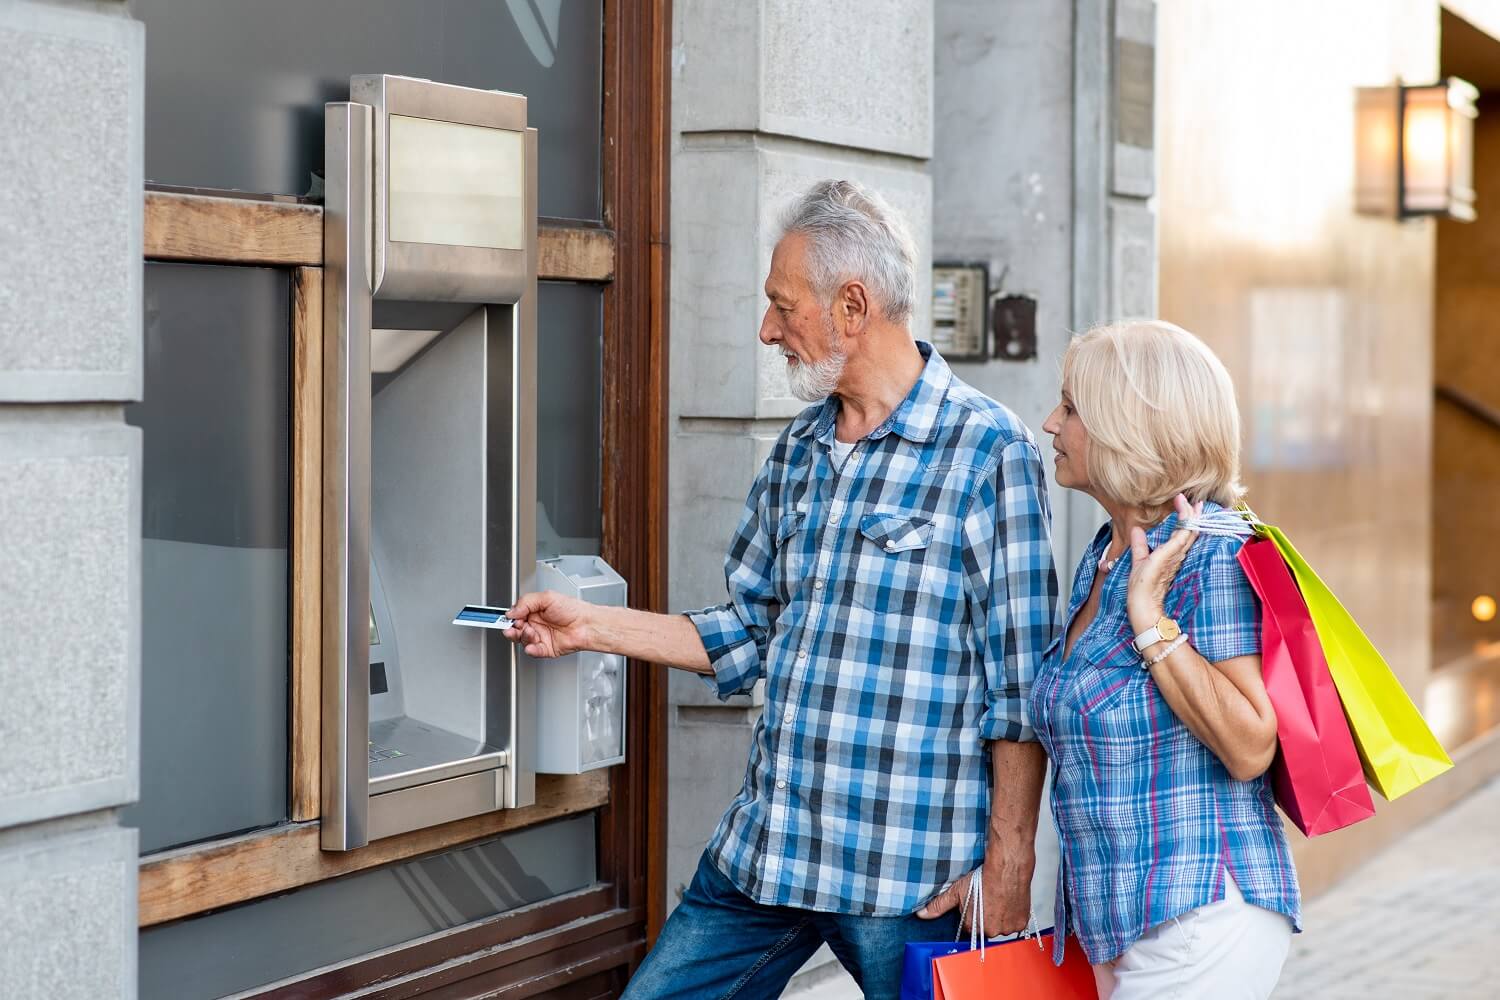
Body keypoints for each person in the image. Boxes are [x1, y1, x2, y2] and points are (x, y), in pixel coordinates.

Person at [504, 179, 1060, 999]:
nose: (767, 330)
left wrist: (1010, 860)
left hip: (903, 874)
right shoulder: (798, 450)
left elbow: (1020, 685)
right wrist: (590, 625)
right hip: (769, 853)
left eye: (782, 306)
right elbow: (745, 631)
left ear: (853, 305)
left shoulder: (988, 453)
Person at [1031, 319, 1301, 998]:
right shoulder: (1108, 549)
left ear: (1126, 425)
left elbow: (1250, 746)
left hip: (1201, 912)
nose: (1048, 424)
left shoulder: (1209, 552)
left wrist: (1152, 624)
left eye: (1070, 407)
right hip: (1121, 919)